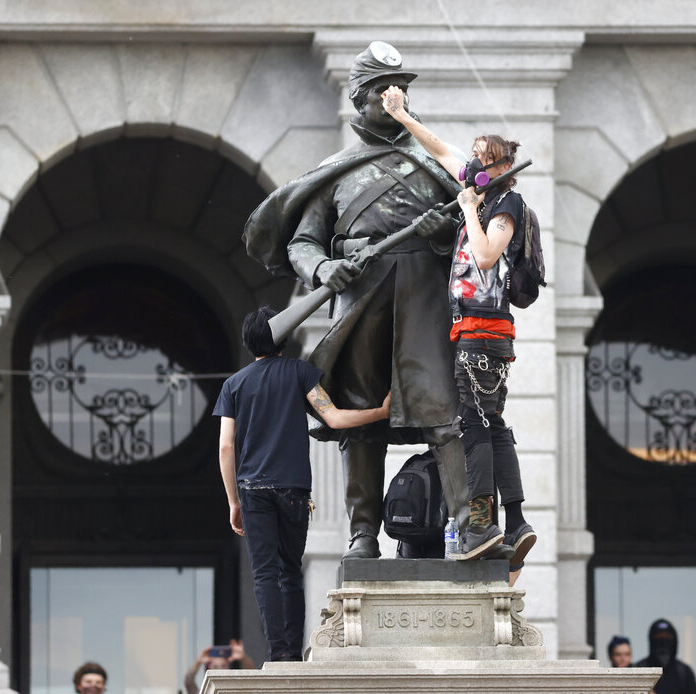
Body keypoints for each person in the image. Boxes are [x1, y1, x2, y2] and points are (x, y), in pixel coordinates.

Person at [242, 40, 470, 560]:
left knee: (443, 412)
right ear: (361, 98)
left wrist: (441, 233)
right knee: (361, 415)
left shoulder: (434, 162)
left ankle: (468, 527)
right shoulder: (338, 172)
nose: (398, 98)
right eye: (387, 91)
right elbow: (303, 242)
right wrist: (324, 267)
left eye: (404, 90)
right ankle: (362, 533)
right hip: (361, 299)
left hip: (424, 298)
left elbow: (470, 233)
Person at [381, 85, 536, 563]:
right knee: (492, 424)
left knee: (475, 424)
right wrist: (403, 117)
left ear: (503, 168)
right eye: (475, 158)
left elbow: (488, 257)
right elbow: (441, 149)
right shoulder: (483, 190)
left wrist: (468, 208)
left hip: (484, 330)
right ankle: (515, 520)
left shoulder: (505, 204)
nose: (474, 166)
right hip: (471, 329)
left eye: (484, 160)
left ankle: (484, 523)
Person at [213, 306, 392, 661]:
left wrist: (234, 502)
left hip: (252, 491)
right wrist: (381, 412)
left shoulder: (233, 384)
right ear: (283, 336)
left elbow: (225, 447)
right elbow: (334, 418)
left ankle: (278, 655)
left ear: (249, 342)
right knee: (290, 570)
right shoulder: (299, 372)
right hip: (294, 489)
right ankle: (293, 653)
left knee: (264, 574)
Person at [633, 618, 696, 694]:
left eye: (668, 639)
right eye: (658, 639)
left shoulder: (684, 672)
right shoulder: (639, 671)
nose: (663, 644)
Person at [183, 639, 256, 694]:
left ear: (229, 669)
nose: (220, 670)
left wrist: (244, 658)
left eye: (223, 666)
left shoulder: (238, 690)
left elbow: (253, 679)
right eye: (215, 667)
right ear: (207, 671)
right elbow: (188, 683)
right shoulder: (204, 692)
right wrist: (198, 662)